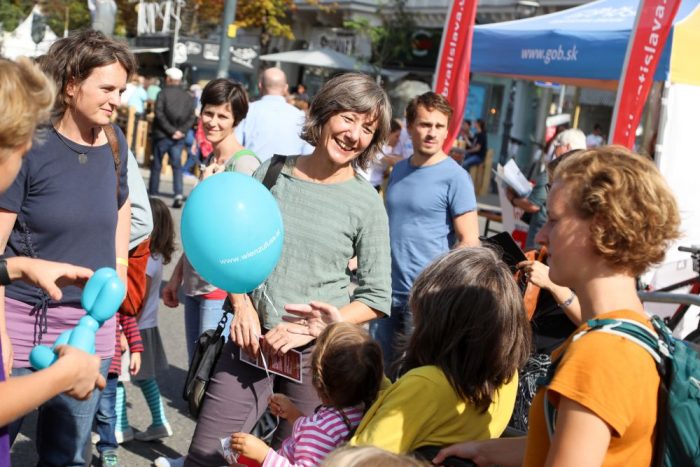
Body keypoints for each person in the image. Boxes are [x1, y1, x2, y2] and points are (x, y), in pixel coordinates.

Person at [180, 72, 392, 467]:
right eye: (349, 118)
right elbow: (232, 247)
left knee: (299, 460)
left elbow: (377, 296)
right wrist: (240, 303)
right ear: (325, 113)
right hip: (249, 343)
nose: (355, 135)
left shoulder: (366, 202)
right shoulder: (272, 172)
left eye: (368, 128)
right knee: (208, 455)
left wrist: (316, 327)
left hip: (318, 362)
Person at [433, 147, 681, 466]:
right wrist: (482, 450)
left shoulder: (600, 355)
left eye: (554, 220)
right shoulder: (637, 331)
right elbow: (563, 444)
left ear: (600, 229)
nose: (544, 235)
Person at [0, 31, 134, 466]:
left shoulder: (116, 142)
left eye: (122, 91)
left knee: (68, 456)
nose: (117, 100)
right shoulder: (29, 145)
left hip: (88, 325)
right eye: (107, 88)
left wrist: (113, 314)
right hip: (21, 318)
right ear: (72, 83)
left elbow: (119, 217)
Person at [350, 247, 531, 453]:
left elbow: (360, 457)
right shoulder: (507, 375)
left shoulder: (426, 385)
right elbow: (411, 405)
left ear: (441, 320)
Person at [374, 92, 480, 374]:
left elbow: (469, 242)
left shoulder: (456, 177)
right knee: (381, 376)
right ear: (409, 127)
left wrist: (438, 285)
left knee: (415, 378)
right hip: (384, 291)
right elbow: (391, 224)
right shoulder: (398, 170)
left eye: (439, 126)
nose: (432, 133)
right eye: (424, 124)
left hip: (424, 298)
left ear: (447, 129)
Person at [163, 78, 260, 360]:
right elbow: (199, 232)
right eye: (208, 112)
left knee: (207, 375)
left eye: (222, 116)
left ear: (236, 120)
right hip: (195, 282)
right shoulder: (211, 160)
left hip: (221, 288)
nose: (213, 122)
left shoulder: (243, 164)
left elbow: (241, 236)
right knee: (197, 369)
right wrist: (176, 277)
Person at [229, 322, 383, 466]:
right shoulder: (363, 409)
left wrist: (264, 454)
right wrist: (293, 414)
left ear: (318, 383)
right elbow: (323, 429)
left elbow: (318, 434)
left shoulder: (319, 431)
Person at [119, 198, 176, 444]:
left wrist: (124, 332)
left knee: (118, 378)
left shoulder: (146, 262)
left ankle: (119, 428)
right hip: (146, 327)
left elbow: (137, 300)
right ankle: (159, 421)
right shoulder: (155, 257)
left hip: (134, 327)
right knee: (143, 377)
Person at [506, 128, 587, 250]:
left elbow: (533, 205)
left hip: (544, 239)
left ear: (568, 146)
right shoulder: (585, 173)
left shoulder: (557, 170)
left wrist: (512, 199)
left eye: (557, 145)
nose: (555, 149)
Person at [93, 312, 142, 465]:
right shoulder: (75, 291)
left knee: (106, 412)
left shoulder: (116, 291)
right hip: (79, 361)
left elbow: (128, 319)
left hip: (109, 364)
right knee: (77, 411)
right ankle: (77, 449)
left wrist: (136, 350)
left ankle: (108, 448)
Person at [235, 67, 311, 162]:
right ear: (285, 88)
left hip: (249, 173)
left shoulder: (247, 111)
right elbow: (308, 154)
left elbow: (234, 146)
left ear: (260, 85)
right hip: (286, 174)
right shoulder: (300, 116)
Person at [149, 67, 196, 208]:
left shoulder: (162, 94)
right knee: (177, 166)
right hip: (178, 138)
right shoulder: (188, 97)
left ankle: (153, 194)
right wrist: (181, 131)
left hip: (162, 135)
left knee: (156, 165)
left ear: (168, 79)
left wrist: (171, 131)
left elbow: (159, 114)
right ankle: (178, 194)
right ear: (180, 80)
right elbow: (191, 117)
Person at [356, 118, 402, 191]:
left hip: (375, 186)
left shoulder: (390, 148)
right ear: (389, 133)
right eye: (397, 136)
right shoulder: (376, 144)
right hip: (362, 183)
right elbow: (374, 156)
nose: (398, 139)